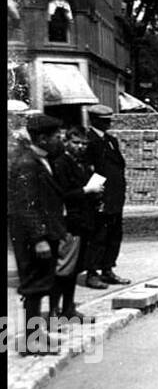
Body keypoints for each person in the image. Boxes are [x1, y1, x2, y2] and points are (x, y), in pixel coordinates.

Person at [8, 114, 67, 355]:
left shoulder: (41, 160)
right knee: (34, 285)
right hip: (34, 239)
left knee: (42, 283)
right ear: (42, 138)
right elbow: (26, 205)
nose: (59, 140)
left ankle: (37, 333)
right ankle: (32, 340)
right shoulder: (27, 164)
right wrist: (40, 238)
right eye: (56, 137)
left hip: (43, 234)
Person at [50, 125, 101, 327]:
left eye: (83, 143)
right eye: (76, 143)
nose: (80, 147)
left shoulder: (82, 163)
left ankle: (68, 308)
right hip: (68, 222)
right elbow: (62, 194)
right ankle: (54, 310)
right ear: (67, 142)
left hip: (83, 221)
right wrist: (86, 190)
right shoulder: (61, 164)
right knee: (63, 268)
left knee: (74, 269)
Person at [84, 103, 131, 289]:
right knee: (98, 235)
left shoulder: (111, 140)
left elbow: (118, 166)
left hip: (115, 196)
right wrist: (96, 196)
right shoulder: (89, 140)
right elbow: (90, 170)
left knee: (114, 234)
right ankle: (92, 272)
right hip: (100, 196)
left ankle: (108, 268)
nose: (108, 124)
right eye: (104, 121)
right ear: (94, 120)